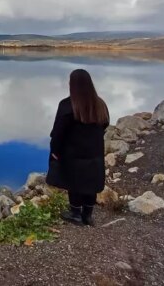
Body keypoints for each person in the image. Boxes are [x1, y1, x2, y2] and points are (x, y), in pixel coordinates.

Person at [49, 69, 109, 226]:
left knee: (74, 182)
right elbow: (105, 124)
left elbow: (58, 133)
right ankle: (88, 215)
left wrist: (55, 151)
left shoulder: (67, 105)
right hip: (94, 152)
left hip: (73, 153)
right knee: (90, 182)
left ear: (73, 85)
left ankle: (75, 213)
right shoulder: (100, 104)